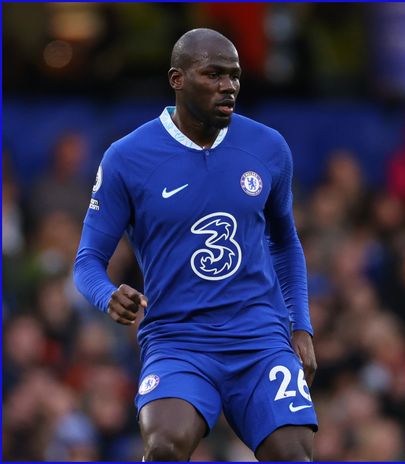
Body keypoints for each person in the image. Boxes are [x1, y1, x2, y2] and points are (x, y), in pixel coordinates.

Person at [74, 28, 317, 461]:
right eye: (214, 75)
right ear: (177, 79)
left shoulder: (269, 147)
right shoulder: (127, 158)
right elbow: (88, 260)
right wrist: (107, 294)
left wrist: (300, 325)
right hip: (177, 338)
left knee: (294, 451)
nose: (229, 87)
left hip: (259, 336)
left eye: (235, 76)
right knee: (165, 443)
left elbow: (285, 242)